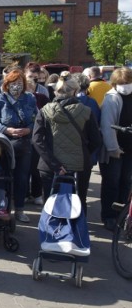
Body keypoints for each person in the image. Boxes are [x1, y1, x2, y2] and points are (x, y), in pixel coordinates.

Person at [32, 72, 102, 214]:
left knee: (50, 203)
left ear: (56, 91)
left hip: (49, 165)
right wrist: (84, 153)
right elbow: (96, 140)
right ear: (75, 91)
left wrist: (54, 164)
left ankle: (52, 233)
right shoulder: (86, 111)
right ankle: (77, 232)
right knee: (79, 202)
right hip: (80, 165)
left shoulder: (44, 111)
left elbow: (37, 140)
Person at [0, 69, 38, 223]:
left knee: (22, 178)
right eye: (13, 83)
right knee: (3, 177)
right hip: (3, 145)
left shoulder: (30, 99)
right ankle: (2, 208)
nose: (17, 87)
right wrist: (6, 129)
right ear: (7, 84)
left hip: (24, 145)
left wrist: (29, 128)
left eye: (20, 83)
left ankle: (20, 209)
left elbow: (36, 118)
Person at [99, 67, 132, 231]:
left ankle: (123, 214)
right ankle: (109, 216)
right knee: (112, 183)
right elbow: (107, 126)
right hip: (115, 149)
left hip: (130, 147)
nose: (125, 86)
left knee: (126, 183)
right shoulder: (112, 98)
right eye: (122, 83)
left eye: (128, 83)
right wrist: (113, 148)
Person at [25, 78, 49, 206]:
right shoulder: (20, 99)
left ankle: (37, 194)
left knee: (36, 168)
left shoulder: (42, 98)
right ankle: (24, 193)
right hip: (25, 137)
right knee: (25, 169)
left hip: (37, 136)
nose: (28, 90)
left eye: (30, 88)